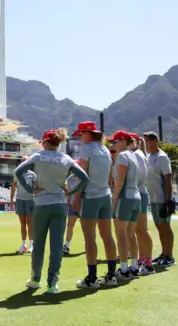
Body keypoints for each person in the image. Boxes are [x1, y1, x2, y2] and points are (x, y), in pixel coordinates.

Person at [14, 128, 90, 294]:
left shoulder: (38, 156)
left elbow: (18, 171)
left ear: (46, 142)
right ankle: (52, 284)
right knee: (56, 246)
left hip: (41, 205)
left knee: (39, 244)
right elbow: (84, 178)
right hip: (60, 204)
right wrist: (69, 192)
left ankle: (35, 280)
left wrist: (29, 189)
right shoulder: (65, 158)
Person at [70, 122, 119, 289]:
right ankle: (112, 275)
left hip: (90, 197)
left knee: (89, 238)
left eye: (80, 134)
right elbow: (109, 177)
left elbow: (82, 176)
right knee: (108, 236)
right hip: (105, 195)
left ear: (87, 133)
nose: (79, 137)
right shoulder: (105, 149)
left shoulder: (87, 148)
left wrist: (75, 198)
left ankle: (92, 278)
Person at [108, 130, 142, 280]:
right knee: (131, 234)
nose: (113, 145)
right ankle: (134, 267)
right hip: (136, 197)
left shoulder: (122, 156)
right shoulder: (134, 155)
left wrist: (114, 197)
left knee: (121, 235)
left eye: (115, 142)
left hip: (125, 197)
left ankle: (123, 269)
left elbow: (120, 179)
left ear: (122, 140)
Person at [143, 131, 176, 267]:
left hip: (162, 198)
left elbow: (168, 179)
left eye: (147, 141)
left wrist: (168, 200)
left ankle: (170, 256)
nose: (145, 144)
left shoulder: (162, 157)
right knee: (159, 226)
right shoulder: (149, 156)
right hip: (153, 198)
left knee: (165, 227)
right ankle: (164, 253)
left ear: (154, 141)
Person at [131, 132, 155, 276]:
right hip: (139, 192)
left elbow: (140, 175)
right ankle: (142, 259)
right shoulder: (139, 154)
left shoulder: (138, 154)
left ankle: (148, 263)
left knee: (143, 229)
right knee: (138, 230)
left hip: (139, 193)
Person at [10, 156, 35, 254]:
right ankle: (23, 245)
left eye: (25, 161)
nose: (23, 163)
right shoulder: (17, 174)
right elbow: (13, 187)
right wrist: (11, 200)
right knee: (22, 224)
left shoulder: (33, 175)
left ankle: (32, 245)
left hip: (30, 201)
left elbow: (36, 188)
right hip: (20, 200)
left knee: (30, 224)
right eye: (22, 161)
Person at [63, 176, 80, 256]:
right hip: (72, 204)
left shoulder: (86, 175)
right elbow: (68, 192)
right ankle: (66, 246)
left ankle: (88, 246)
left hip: (84, 204)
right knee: (70, 224)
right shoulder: (70, 179)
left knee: (86, 227)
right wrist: (67, 202)